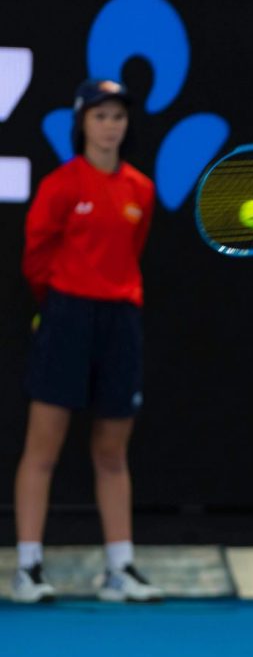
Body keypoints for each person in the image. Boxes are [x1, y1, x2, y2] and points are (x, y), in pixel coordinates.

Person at [11, 78, 162, 603]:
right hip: (66, 316)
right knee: (43, 447)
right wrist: (59, 305)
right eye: (100, 116)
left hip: (121, 320)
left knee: (112, 450)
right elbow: (35, 258)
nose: (110, 125)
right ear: (82, 123)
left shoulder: (140, 189)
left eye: (118, 116)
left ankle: (120, 569)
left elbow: (132, 251)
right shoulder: (61, 185)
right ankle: (28, 568)